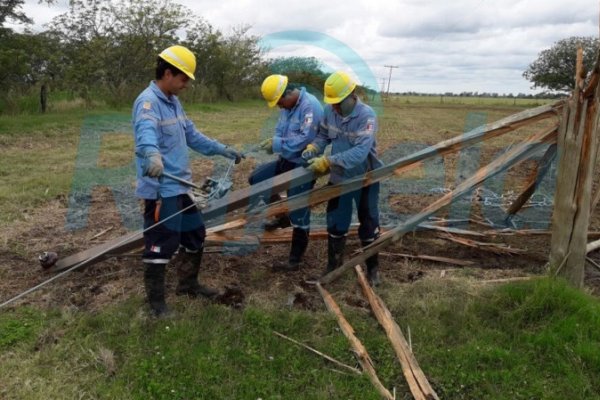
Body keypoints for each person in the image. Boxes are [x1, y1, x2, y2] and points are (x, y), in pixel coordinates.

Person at [133, 45, 244, 316]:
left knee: (195, 234)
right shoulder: (148, 102)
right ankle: (156, 305)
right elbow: (145, 131)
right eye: (184, 79)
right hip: (162, 189)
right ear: (168, 73)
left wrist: (221, 148)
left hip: (181, 185)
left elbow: (192, 135)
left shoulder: (173, 101)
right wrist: (151, 154)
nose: (186, 85)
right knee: (161, 241)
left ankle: (188, 284)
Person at [302, 71, 383, 286]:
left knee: (369, 223)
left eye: (339, 103)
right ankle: (333, 267)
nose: (335, 107)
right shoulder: (330, 111)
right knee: (336, 223)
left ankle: (373, 269)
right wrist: (314, 147)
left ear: (352, 95)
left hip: (366, 177)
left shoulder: (367, 116)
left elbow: (360, 153)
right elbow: (323, 135)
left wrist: (329, 161)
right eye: (333, 103)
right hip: (339, 178)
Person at [248, 74, 323, 271]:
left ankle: (295, 260)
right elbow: (280, 130)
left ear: (288, 93)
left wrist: (277, 144)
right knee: (257, 180)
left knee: (299, 209)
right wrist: (274, 141)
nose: (279, 106)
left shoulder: (310, 107)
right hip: (286, 160)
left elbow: (304, 140)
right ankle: (282, 217)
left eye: (280, 101)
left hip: (303, 165)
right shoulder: (288, 107)